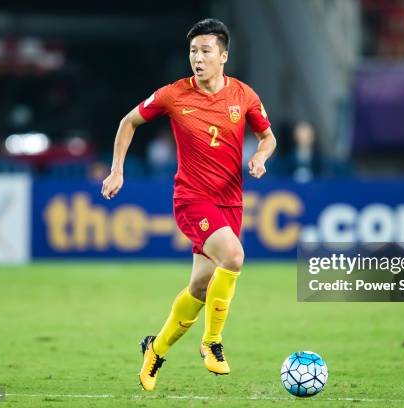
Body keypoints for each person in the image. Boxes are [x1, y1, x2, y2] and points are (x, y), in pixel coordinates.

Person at [100, 18, 276, 391]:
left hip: (230, 201)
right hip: (192, 199)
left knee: (200, 286)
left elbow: (268, 138)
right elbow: (127, 122)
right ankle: (212, 343)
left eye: (205, 51)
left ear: (223, 56)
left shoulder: (244, 95)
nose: (197, 58)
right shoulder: (173, 94)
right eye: (193, 51)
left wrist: (260, 157)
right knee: (234, 256)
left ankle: (155, 348)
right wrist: (117, 171)